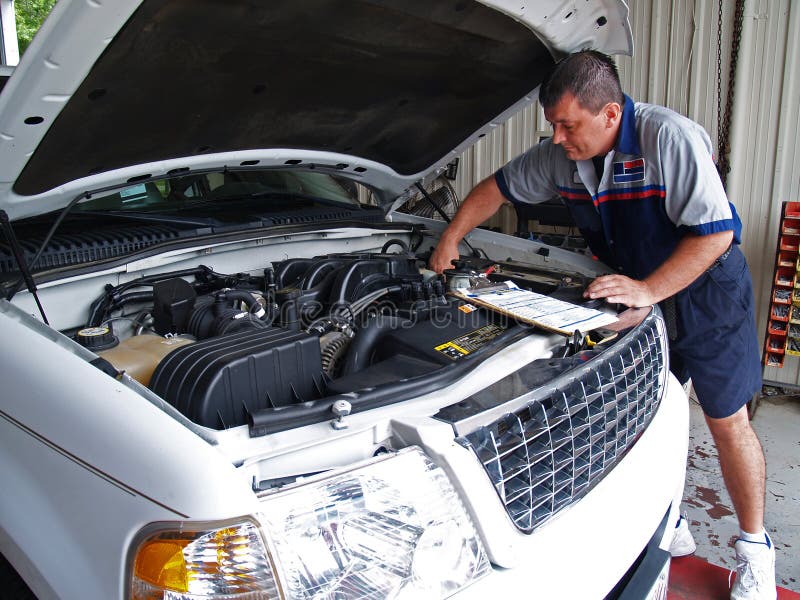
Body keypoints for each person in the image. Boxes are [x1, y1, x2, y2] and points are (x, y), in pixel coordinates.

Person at [429, 50, 775, 600]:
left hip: (707, 289)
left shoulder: (670, 139)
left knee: (725, 418)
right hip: (637, 292)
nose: (559, 138)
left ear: (611, 114)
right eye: (553, 126)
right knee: (650, 404)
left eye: (569, 125)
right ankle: (668, 516)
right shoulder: (560, 157)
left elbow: (714, 236)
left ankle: (756, 552)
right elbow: (496, 188)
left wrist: (649, 292)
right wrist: (449, 239)